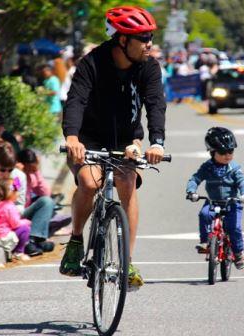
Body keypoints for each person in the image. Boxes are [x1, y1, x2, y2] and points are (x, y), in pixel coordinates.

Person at [60, 6, 166, 290]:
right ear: (122, 40)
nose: (149, 44)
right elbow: (76, 101)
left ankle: (127, 260)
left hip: (127, 141)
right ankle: (76, 240)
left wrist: (156, 141)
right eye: (143, 38)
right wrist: (72, 137)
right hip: (89, 139)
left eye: (150, 37)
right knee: (89, 182)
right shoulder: (91, 63)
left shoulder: (149, 66)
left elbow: (155, 103)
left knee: (127, 181)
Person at [186, 127, 244, 270]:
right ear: (212, 151)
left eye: (231, 151)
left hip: (232, 203)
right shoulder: (207, 167)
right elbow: (195, 179)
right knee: (204, 214)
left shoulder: (233, 168)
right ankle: (205, 242)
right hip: (212, 201)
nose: (227, 155)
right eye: (222, 152)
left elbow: (242, 181)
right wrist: (191, 191)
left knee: (234, 227)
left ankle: (238, 253)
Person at [16, 148, 71, 236]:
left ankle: (49, 224)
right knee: (46, 202)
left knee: (47, 201)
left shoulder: (30, 176)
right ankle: (39, 232)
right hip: (15, 213)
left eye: (31, 169)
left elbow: (45, 193)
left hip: (25, 211)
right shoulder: (15, 176)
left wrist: (36, 172)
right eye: (27, 168)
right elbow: (14, 195)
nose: (29, 171)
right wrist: (17, 173)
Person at [0, 177, 31, 261]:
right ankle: (18, 252)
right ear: (11, 192)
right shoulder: (10, 206)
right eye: (16, 191)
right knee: (25, 229)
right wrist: (26, 222)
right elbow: (16, 224)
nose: (18, 193)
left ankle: (12, 251)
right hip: (4, 238)